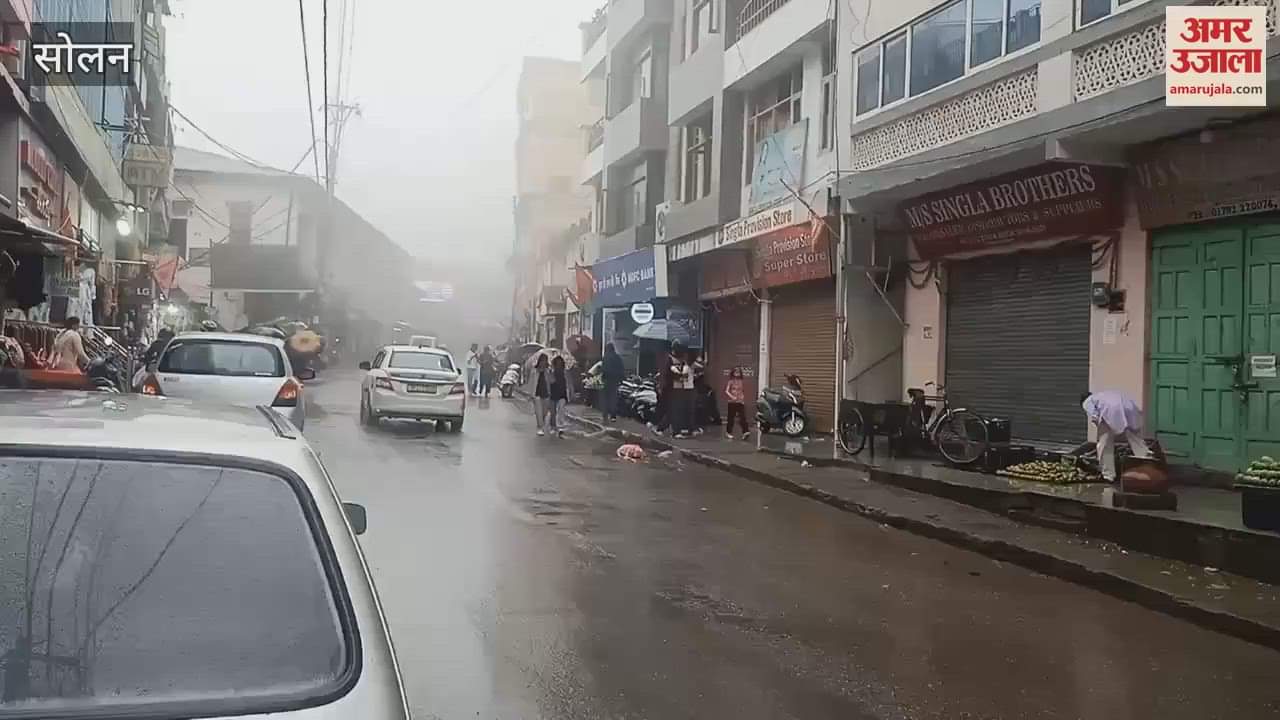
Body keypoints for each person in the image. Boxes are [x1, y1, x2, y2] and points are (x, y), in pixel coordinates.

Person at [1082, 390, 1152, 482]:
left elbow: (1095, 415)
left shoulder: (1087, 401)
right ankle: (1149, 467)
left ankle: (1108, 475)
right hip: (1129, 407)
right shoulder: (1102, 395)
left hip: (1111, 411)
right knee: (1137, 442)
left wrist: (1100, 430)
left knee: (1104, 445)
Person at [533, 354, 571, 437]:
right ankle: (541, 427)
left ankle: (557, 427)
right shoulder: (535, 371)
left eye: (560, 364)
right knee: (543, 412)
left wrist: (570, 393)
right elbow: (531, 382)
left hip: (553, 394)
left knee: (548, 412)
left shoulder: (550, 372)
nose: (559, 366)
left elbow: (554, 382)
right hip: (540, 394)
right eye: (542, 360)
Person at [669, 346, 696, 439]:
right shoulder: (677, 366)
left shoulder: (688, 366)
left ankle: (687, 429)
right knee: (678, 410)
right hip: (679, 390)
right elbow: (681, 377)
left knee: (687, 410)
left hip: (686, 389)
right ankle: (676, 431)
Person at [724, 367, 750, 440]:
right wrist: (732, 397)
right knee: (731, 418)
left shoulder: (741, 381)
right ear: (733, 373)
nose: (737, 373)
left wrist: (742, 397)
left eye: (738, 372)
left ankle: (746, 431)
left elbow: (742, 390)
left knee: (742, 417)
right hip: (732, 402)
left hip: (740, 402)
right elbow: (726, 391)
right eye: (736, 372)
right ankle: (728, 432)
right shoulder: (731, 381)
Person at [601, 342, 625, 423]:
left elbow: (603, 369)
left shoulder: (605, 357)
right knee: (613, 398)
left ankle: (605, 416)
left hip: (607, 380)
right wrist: (621, 379)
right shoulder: (617, 357)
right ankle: (613, 416)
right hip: (614, 381)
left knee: (606, 399)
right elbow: (621, 369)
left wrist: (603, 378)